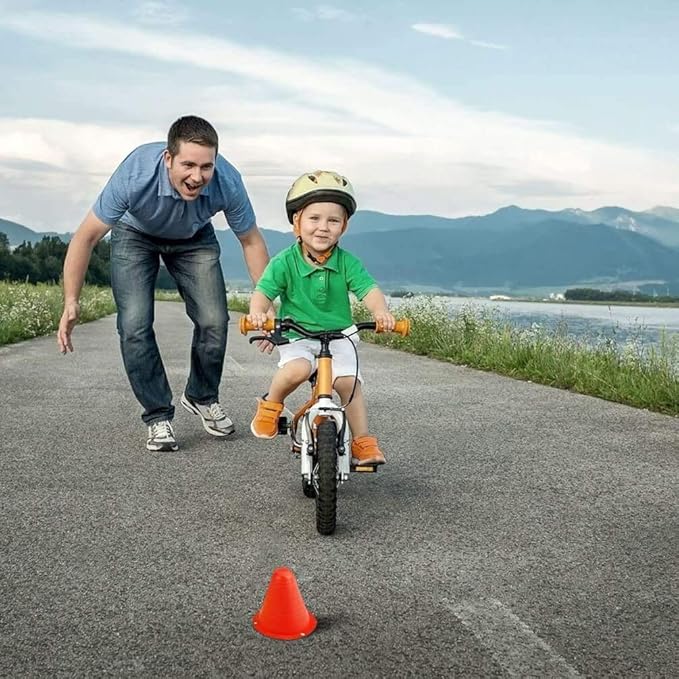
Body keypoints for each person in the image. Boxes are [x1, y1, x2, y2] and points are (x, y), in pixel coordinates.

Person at [57, 115, 270, 452]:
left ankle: (201, 395)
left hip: (194, 236)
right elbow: (86, 237)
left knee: (215, 320)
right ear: (168, 158)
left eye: (206, 167)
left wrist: (266, 299)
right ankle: (158, 416)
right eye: (188, 165)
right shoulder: (135, 174)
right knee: (135, 324)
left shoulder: (228, 180)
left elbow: (251, 241)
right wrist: (71, 300)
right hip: (135, 234)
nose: (197, 177)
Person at [246, 170, 394, 465]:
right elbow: (263, 291)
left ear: (344, 226)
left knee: (348, 383)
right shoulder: (284, 262)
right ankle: (271, 405)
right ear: (296, 223)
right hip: (297, 334)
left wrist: (381, 312)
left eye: (333, 220)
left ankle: (362, 441)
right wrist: (257, 313)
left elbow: (369, 290)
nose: (323, 227)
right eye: (314, 219)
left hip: (340, 335)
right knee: (297, 369)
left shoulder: (347, 262)